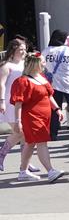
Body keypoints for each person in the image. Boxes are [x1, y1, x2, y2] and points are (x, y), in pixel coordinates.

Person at [9, 50, 63, 182]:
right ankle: (50, 171)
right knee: (41, 142)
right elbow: (18, 103)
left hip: (44, 116)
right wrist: (18, 121)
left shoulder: (42, 78)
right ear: (35, 64)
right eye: (42, 62)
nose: (45, 64)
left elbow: (48, 96)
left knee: (30, 143)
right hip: (31, 117)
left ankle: (23, 171)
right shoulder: (22, 81)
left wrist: (57, 109)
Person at [42, 30, 69, 142]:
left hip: (52, 84)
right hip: (68, 82)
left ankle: (53, 133)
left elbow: (43, 67)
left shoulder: (46, 51)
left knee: (54, 108)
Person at [0, 38, 28, 167]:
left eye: (24, 49)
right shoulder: (6, 65)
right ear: (13, 50)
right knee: (19, 132)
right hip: (10, 102)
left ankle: (25, 163)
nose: (23, 52)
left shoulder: (25, 64)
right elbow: (2, 85)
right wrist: (2, 102)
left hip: (24, 102)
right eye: (20, 49)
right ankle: (1, 155)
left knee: (25, 134)